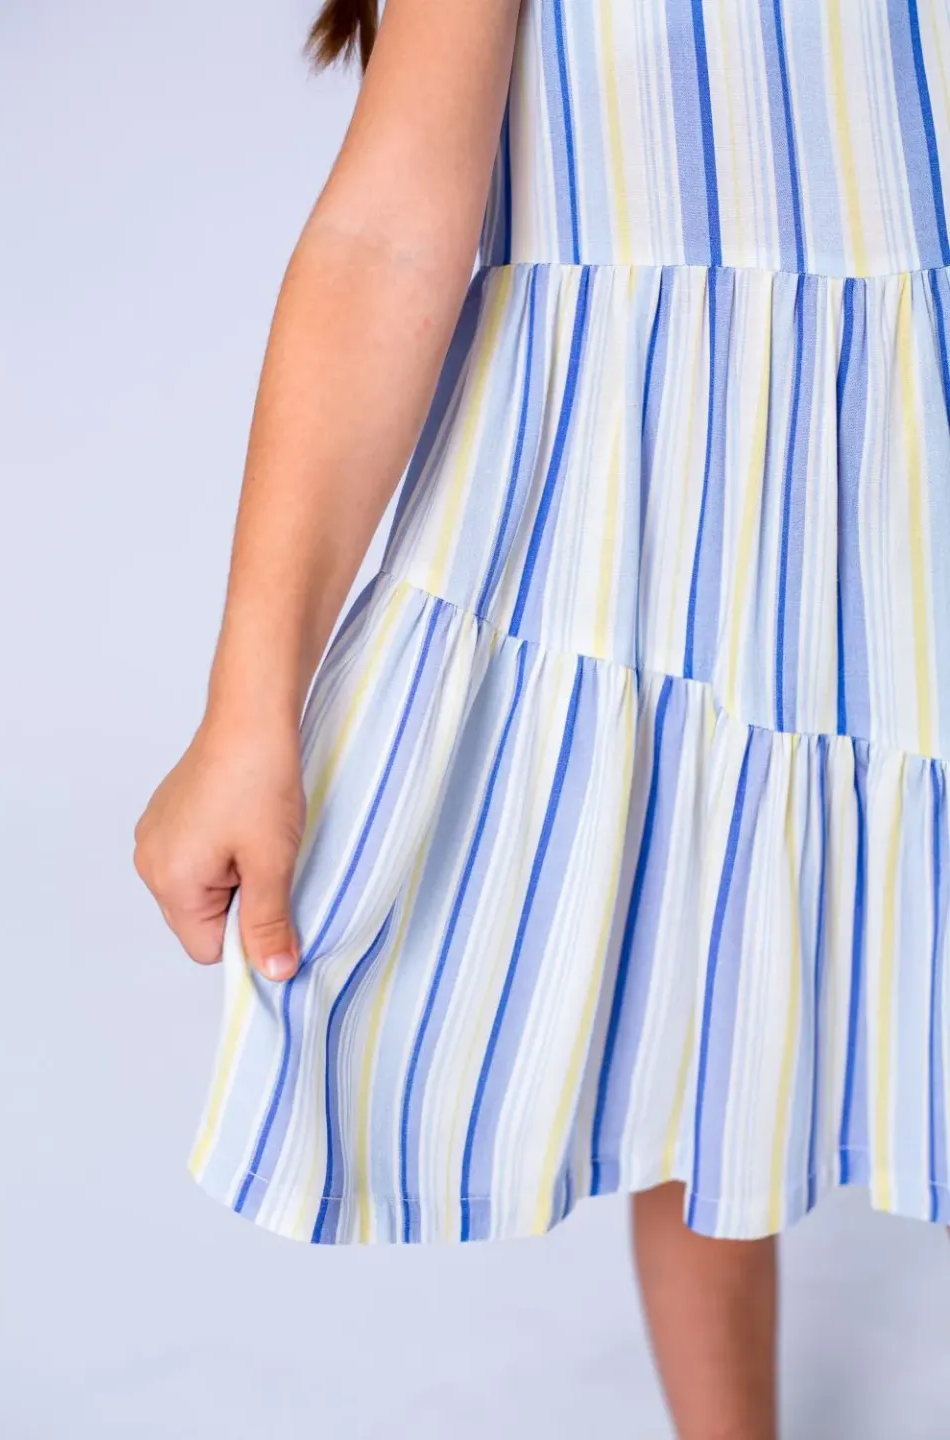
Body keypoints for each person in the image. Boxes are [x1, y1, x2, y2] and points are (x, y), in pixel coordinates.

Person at [135, 2, 950, 1435]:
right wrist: (246, 709)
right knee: (708, 1015)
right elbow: (388, 230)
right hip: (662, 544)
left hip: (902, 504)